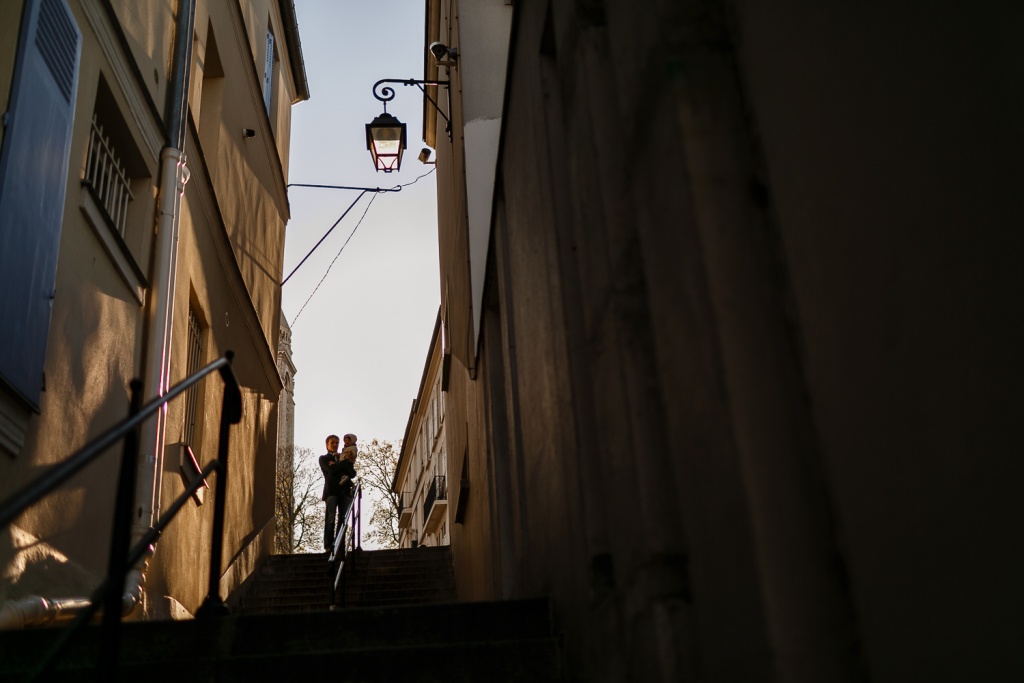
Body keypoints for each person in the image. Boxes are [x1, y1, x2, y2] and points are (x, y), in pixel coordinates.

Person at [318, 434, 346, 552]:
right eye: (332, 442)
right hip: (331, 492)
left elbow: (351, 472)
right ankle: (328, 545)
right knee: (330, 519)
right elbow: (330, 470)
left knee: (343, 519)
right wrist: (340, 467)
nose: (335, 445)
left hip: (343, 491)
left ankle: (340, 543)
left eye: (337, 443)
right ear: (327, 445)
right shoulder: (323, 458)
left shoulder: (342, 458)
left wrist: (336, 465)